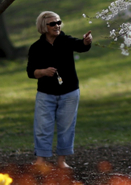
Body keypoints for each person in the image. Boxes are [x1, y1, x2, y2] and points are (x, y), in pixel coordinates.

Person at [26, 11, 92, 168]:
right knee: (42, 127)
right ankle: (41, 161)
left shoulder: (66, 41)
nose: (57, 26)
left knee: (66, 127)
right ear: (44, 27)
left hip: (69, 93)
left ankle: (62, 161)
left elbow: (81, 46)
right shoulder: (36, 47)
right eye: (52, 24)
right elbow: (31, 72)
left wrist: (86, 41)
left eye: (58, 22)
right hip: (45, 94)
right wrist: (44, 72)